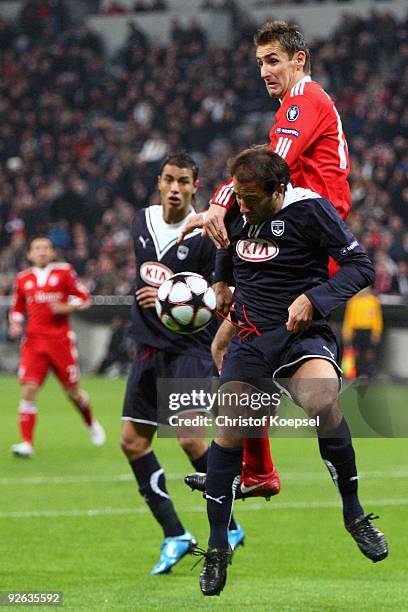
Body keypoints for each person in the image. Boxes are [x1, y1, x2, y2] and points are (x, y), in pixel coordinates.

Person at [194, 148, 388, 596]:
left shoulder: (311, 211)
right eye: (238, 197)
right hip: (249, 336)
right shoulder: (236, 208)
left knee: (322, 396)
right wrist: (222, 282)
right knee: (228, 429)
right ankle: (218, 547)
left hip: (301, 333)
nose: (241, 206)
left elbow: (362, 267)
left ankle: (353, 513)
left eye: (251, 199)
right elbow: (227, 245)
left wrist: (314, 299)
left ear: (278, 191)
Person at [178, 20, 351, 500]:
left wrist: (217, 201)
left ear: (299, 60)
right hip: (295, 240)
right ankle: (257, 470)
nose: (264, 71)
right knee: (227, 346)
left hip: (311, 247)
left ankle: (256, 468)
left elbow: (269, 169)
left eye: (272, 60)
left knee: (242, 349)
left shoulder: (305, 101)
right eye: (259, 63)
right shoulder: (291, 109)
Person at [119, 153, 244, 576]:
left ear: (195, 187)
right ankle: (175, 534)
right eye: (169, 179)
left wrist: (173, 298)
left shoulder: (209, 234)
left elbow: (221, 296)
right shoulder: (141, 222)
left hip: (190, 348)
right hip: (148, 349)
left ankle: (228, 523)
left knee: (191, 440)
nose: (175, 188)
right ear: (159, 182)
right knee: (133, 443)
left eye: (184, 181)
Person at [9, 236, 106, 458]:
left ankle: (90, 423)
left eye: (46, 248)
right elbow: (17, 308)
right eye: (37, 248)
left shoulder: (63, 272)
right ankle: (26, 443)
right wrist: (15, 323)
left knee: (73, 393)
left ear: (53, 253)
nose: (41, 252)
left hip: (60, 342)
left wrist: (66, 307)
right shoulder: (23, 279)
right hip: (34, 343)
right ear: (29, 254)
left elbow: (85, 299)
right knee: (29, 390)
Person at [342, 287, 383, 378]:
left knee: (369, 351)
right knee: (356, 351)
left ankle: (368, 371)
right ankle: (357, 371)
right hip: (356, 330)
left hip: (369, 330)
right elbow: (349, 319)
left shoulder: (373, 301)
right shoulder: (353, 302)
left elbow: (377, 318)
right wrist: (347, 332)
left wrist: (376, 332)